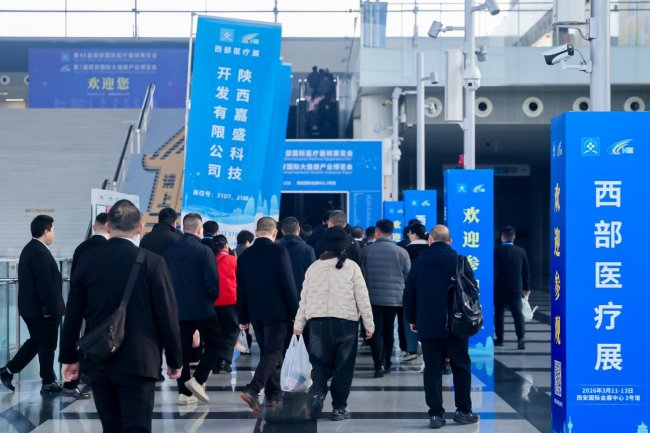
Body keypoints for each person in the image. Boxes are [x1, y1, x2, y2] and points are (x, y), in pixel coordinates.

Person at [60, 200, 183, 433]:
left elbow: (73, 313)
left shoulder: (87, 260)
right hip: (139, 361)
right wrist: (175, 359)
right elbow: (167, 314)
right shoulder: (153, 262)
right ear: (140, 227)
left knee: (111, 428)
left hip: (99, 360)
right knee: (137, 427)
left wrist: (68, 357)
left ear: (108, 227)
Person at [294, 227, 374, 422]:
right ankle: (339, 408)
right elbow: (362, 298)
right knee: (344, 367)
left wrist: (299, 323)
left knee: (319, 364)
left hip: (317, 322)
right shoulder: (352, 267)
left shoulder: (314, 267)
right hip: (346, 323)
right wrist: (368, 324)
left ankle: (317, 395)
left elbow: (304, 298)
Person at [403, 225, 479, 429]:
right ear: (450, 241)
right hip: (457, 325)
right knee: (461, 367)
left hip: (428, 325)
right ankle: (463, 411)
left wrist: (412, 319)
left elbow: (409, 293)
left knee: (432, 370)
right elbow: (472, 291)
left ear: (430, 240)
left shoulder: (419, 263)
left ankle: (436, 415)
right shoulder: (460, 261)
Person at [0, 215, 69, 396]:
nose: (54, 233)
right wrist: (48, 309)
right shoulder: (38, 251)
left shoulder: (31, 248)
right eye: (53, 230)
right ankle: (47, 382)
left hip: (32, 309)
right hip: (42, 310)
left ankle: (10, 371)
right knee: (47, 345)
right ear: (46, 231)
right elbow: (44, 284)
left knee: (38, 342)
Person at [237, 217, 299, 412]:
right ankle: (253, 389)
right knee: (274, 352)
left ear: (256, 232)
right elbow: (287, 284)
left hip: (256, 311)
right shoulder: (279, 251)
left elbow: (241, 289)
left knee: (268, 353)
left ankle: (273, 395)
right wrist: (295, 312)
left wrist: (243, 317)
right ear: (275, 232)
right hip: (277, 311)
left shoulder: (245, 255)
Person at [164, 213, 221, 404]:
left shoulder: (169, 251)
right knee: (215, 343)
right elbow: (212, 282)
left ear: (183, 227)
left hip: (177, 308)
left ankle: (184, 394)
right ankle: (198, 379)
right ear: (200, 229)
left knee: (182, 350)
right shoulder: (204, 251)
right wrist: (211, 298)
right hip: (203, 308)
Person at [360, 219, 411, 377]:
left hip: (372, 299)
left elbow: (361, 276)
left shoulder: (366, 251)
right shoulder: (402, 252)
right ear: (391, 232)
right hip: (394, 300)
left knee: (375, 331)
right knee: (388, 331)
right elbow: (408, 277)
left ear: (377, 232)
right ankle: (388, 362)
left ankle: (378, 365)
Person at [494, 226, 531, 350]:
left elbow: (494, 271)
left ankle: (500, 339)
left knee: (499, 314)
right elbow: (526, 271)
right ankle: (521, 338)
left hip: (499, 288)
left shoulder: (497, 251)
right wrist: (526, 287)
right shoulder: (521, 251)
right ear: (514, 237)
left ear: (502, 237)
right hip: (516, 288)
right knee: (517, 314)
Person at [212, 235, 240, 374]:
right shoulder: (233, 260)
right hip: (231, 301)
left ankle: (215, 362)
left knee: (218, 332)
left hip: (213, 302)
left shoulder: (209, 260)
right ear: (226, 246)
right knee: (233, 330)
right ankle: (225, 359)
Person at [278, 217, 316, 296]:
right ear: (298, 230)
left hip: (280, 295)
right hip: (302, 295)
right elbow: (313, 276)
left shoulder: (275, 249)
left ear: (282, 231)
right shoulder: (308, 250)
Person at [70, 212, 109, 277]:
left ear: (94, 227)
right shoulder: (111, 249)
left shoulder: (80, 247)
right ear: (109, 228)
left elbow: (74, 275)